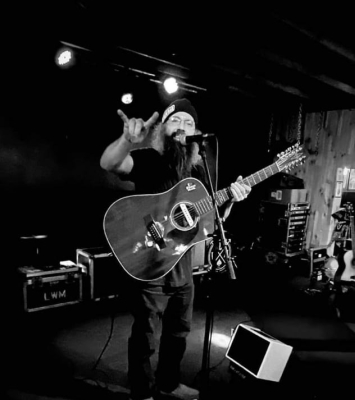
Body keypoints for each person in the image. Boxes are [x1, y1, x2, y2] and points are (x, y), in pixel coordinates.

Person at [100, 98, 251, 400]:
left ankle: (168, 383)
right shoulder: (149, 159)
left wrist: (232, 200)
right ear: (162, 128)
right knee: (145, 335)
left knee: (178, 333)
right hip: (151, 263)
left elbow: (209, 222)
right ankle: (142, 391)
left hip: (182, 267)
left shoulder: (198, 174)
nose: (183, 126)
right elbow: (111, 163)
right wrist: (127, 141)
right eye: (176, 120)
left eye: (189, 122)